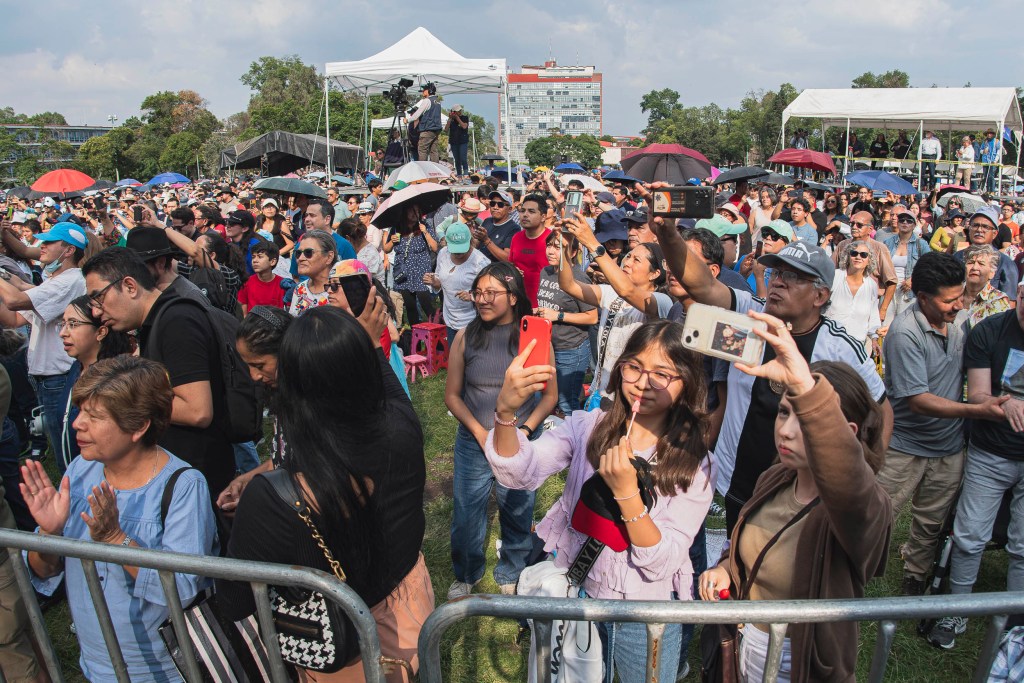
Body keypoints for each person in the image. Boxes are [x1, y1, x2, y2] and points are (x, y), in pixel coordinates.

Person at [647, 188, 892, 533]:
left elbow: (881, 408)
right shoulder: (748, 317)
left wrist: (863, 473)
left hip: (802, 489)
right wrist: (668, 233)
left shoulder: (840, 347)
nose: (778, 283)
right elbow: (700, 285)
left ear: (820, 295)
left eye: (793, 278)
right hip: (738, 477)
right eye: (777, 274)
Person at [488, 319, 713, 683]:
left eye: (663, 374)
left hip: (645, 617)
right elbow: (518, 471)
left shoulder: (695, 463)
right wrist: (505, 414)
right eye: (635, 367)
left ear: (687, 382)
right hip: (578, 596)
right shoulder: (587, 427)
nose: (643, 382)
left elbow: (661, 562)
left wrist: (626, 493)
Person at [698, 311, 892, 682]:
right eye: (783, 412)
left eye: (804, 420)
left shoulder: (861, 508)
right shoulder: (775, 477)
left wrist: (805, 385)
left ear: (844, 432)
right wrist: (725, 571)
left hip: (800, 662)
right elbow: (749, 548)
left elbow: (848, 480)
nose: (785, 431)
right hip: (744, 647)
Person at [21, 356, 217, 682]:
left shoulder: (183, 485)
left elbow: (182, 587)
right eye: (81, 410)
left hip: (163, 669)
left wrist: (117, 540)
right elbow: (44, 571)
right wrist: (49, 534)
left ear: (138, 426)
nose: (77, 424)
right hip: (98, 664)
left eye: (94, 416)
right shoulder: (81, 470)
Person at [877, 251, 1009, 597]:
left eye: (961, 296)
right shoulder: (905, 333)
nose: (958, 305)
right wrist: (977, 410)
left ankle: (916, 577)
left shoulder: (960, 319)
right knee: (878, 514)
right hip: (904, 447)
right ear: (922, 298)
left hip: (948, 448)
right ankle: (853, 568)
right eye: (949, 300)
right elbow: (918, 401)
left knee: (931, 522)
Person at [81, 248, 239, 498]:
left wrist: (125, 401)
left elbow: (198, 411)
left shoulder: (177, 320)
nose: (96, 312)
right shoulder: (157, 321)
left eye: (98, 298)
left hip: (197, 478)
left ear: (130, 286)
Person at [444, 263, 557, 599]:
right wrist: (480, 433)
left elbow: (549, 397)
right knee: (466, 512)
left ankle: (513, 569)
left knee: (518, 509)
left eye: (490, 293)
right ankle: (467, 572)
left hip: (519, 441)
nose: (481, 299)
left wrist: (523, 432)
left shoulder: (535, 338)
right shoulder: (466, 336)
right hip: (472, 441)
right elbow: (452, 395)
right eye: (478, 293)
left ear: (512, 296)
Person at [935, 277, 1024, 648]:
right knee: (971, 536)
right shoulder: (990, 330)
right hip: (991, 451)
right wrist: (1008, 405)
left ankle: (1016, 622)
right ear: (1019, 293)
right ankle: (957, 610)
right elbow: (981, 395)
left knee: (1023, 546)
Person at [559, 214, 673, 404]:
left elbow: (627, 291)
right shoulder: (611, 293)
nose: (627, 262)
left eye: (636, 260)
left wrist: (592, 243)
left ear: (655, 273)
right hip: (600, 392)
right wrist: (564, 249)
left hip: (629, 397)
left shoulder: (662, 302)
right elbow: (568, 285)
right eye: (628, 256)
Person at [0, 222, 86, 470]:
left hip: (59, 377)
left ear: (68, 250)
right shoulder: (53, 281)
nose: (41, 246)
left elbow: (15, 301)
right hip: (46, 377)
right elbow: (13, 319)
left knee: (67, 454)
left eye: (49, 242)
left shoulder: (70, 280)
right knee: (62, 448)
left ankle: (73, 502)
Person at [57, 295, 134, 467]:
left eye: (73, 324)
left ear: (100, 332)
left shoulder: (115, 380)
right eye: (63, 324)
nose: (63, 333)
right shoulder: (76, 369)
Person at [534, 230, 597, 415]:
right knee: (546, 395)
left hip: (571, 348)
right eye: (549, 245)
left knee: (566, 401)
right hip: (548, 346)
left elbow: (592, 316)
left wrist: (558, 316)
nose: (551, 251)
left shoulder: (578, 277)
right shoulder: (545, 272)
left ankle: (575, 439)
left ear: (574, 252)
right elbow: (550, 305)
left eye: (559, 247)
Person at [424, 221, 489, 347]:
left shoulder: (480, 262)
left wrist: (472, 296)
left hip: (473, 322)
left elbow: (491, 294)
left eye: (461, 249)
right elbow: (439, 279)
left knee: (470, 361)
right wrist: (434, 282)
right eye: (454, 249)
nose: (458, 254)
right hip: (450, 319)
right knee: (454, 360)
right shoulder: (443, 253)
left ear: (470, 241)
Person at [383, 202, 439, 326]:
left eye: (417, 211)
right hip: (404, 271)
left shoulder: (424, 226)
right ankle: (416, 335)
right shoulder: (397, 228)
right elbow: (386, 249)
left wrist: (426, 232)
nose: (415, 214)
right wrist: (392, 241)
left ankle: (437, 328)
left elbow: (435, 247)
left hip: (421, 269)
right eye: (412, 211)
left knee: (426, 303)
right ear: (405, 213)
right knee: (410, 306)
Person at [951, 207, 1020, 297]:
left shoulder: (1005, 263)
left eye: (985, 227)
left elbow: (1010, 301)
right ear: (969, 229)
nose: (979, 230)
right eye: (975, 225)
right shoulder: (957, 257)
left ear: (994, 233)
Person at [829, 241, 882, 355]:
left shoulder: (871, 285)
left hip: (855, 346)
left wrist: (874, 338)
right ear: (848, 257)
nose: (858, 257)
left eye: (863, 255)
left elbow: (873, 315)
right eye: (854, 253)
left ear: (869, 260)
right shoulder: (834, 276)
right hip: (829, 343)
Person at [882, 210, 932, 317]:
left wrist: (913, 279)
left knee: (903, 323)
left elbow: (929, 266)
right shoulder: (888, 242)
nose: (905, 223)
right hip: (888, 289)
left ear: (914, 225)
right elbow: (880, 265)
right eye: (902, 220)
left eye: (909, 221)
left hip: (909, 292)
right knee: (885, 324)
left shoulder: (921, 244)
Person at [508, 193, 552, 307]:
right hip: (518, 303)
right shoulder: (516, 237)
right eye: (522, 211)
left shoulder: (553, 240)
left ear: (543, 216)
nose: (525, 215)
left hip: (544, 306)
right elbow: (510, 265)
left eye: (531, 211)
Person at [961, 244, 1012, 328]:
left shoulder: (998, 300)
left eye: (981, 264)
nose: (974, 267)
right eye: (970, 262)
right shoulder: (953, 293)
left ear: (992, 273)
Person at [289, 230, 338, 316]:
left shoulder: (340, 291)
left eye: (308, 252)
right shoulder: (300, 289)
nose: (300, 258)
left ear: (329, 257)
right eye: (298, 253)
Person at [236, 241, 285, 313]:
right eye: (253, 257)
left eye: (260, 257)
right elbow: (243, 312)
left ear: (272, 261)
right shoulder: (247, 282)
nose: (255, 261)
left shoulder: (283, 284)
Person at [407, 82, 443, 162]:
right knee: (434, 151)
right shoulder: (437, 101)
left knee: (422, 150)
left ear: (429, 90)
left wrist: (407, 120)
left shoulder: (427, 100)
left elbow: (417, 114)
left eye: (424, 90)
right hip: (436, 129)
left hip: (427, 129)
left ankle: (423, 171)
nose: (423, 91)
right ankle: (436, 171)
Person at [446, 104, 470, 177]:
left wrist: (457, 118)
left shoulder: (465, 118)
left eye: (460, 110)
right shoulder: (451, 120)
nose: (460, 112)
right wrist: (450, 119)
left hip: (463, 141)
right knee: (457, 159)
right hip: (454, 142)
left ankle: (466, 173)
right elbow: (446, 129)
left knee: (463, 158)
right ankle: (459, 174)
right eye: (458, 111)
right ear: (453, 112)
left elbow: (464, 126)